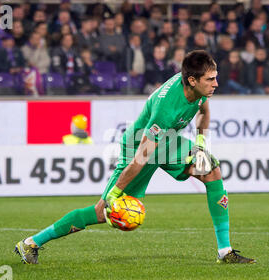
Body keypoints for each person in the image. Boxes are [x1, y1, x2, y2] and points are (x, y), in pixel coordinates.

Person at [15, 50, 256, 265]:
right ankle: (31, 243)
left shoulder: (200, 89)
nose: (216, 83)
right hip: (138, 148)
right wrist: (114, 194)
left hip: (168, 141)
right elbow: (140, 158)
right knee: (101, 212)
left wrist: (201, 145)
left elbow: (203, 112)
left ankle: (225, 252)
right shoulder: (166, 108)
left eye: (215, 77)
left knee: (211, 170)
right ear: (192, 81)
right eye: (210, 79)